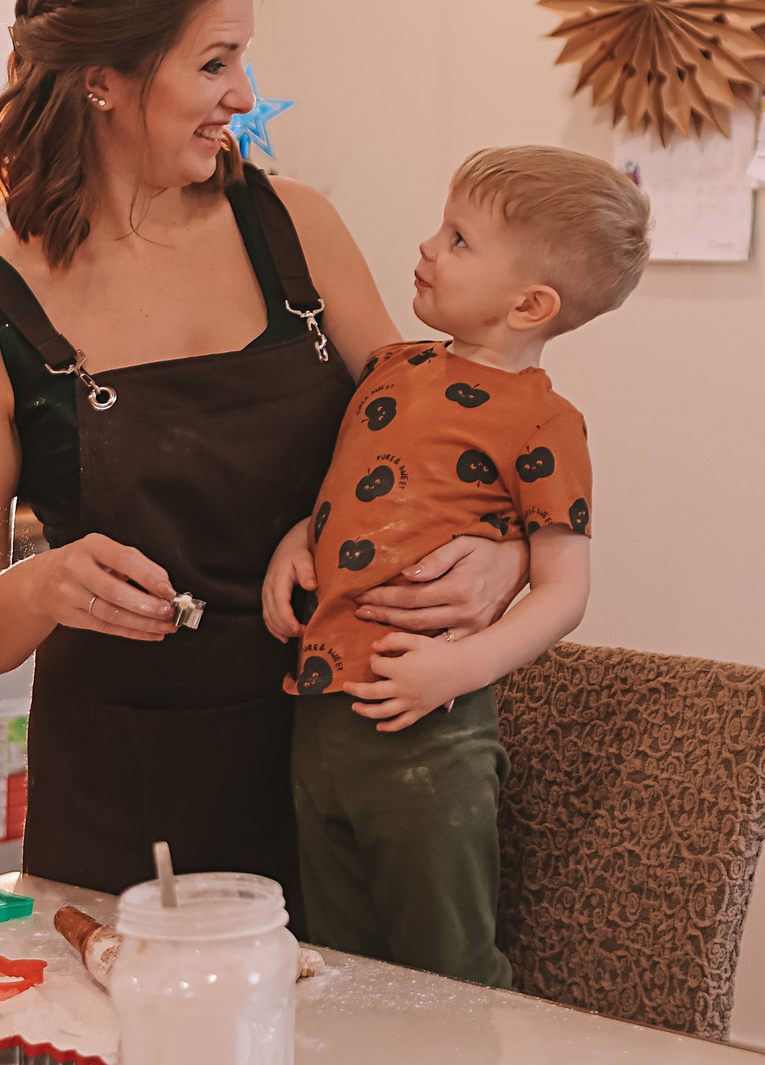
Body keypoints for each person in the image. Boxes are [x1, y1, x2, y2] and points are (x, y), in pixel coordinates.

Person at [0, 0, 529, 899]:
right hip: (133, 807)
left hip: (356, 751)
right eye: (212, 63)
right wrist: (43, 588)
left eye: (240, 61)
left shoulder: (293, 226)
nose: (240, 95)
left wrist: (505, 551)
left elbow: (441, 436)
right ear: (102, 78)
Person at [260, 145, 650, 986]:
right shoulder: (394, 368)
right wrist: (302, 538)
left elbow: (564, 591)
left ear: (531, 302)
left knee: (449, 971)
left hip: (430, 735)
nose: (431, 246)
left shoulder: (546, 422)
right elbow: (366, 494)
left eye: (461, 239)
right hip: (321, 721)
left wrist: (457, 667)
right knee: (334, 966)